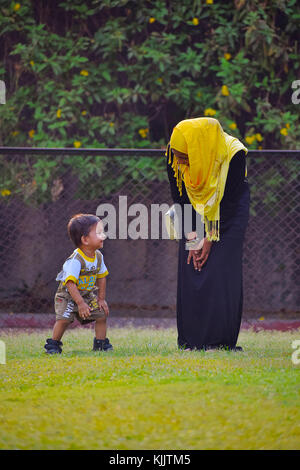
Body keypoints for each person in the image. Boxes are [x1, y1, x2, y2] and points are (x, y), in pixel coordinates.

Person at [166, 117, 250, 351]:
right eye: (178, 156)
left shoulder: (234, 153)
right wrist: (193, 238)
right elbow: (180, 196)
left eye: (186, 157)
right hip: (192, 208)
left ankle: (219, 341)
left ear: (199, 149)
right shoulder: (175, 154)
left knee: (220, 269)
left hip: (229, 213)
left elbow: (230, 202)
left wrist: (211, 236)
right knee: (193, 263)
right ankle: (191, 340)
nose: (181, 162)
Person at [44, 213, 113, 354]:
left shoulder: (98, 257)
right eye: (99, 232)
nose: (104, 235)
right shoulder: (75, 260)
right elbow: (70, 283)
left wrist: (101, 299)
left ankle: (100, 344)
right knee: (64, 319)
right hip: (68, 296)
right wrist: (80, 303)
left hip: (86, 294)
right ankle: (53, 345)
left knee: (101, 314)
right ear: (85, 239)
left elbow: (102, 277)